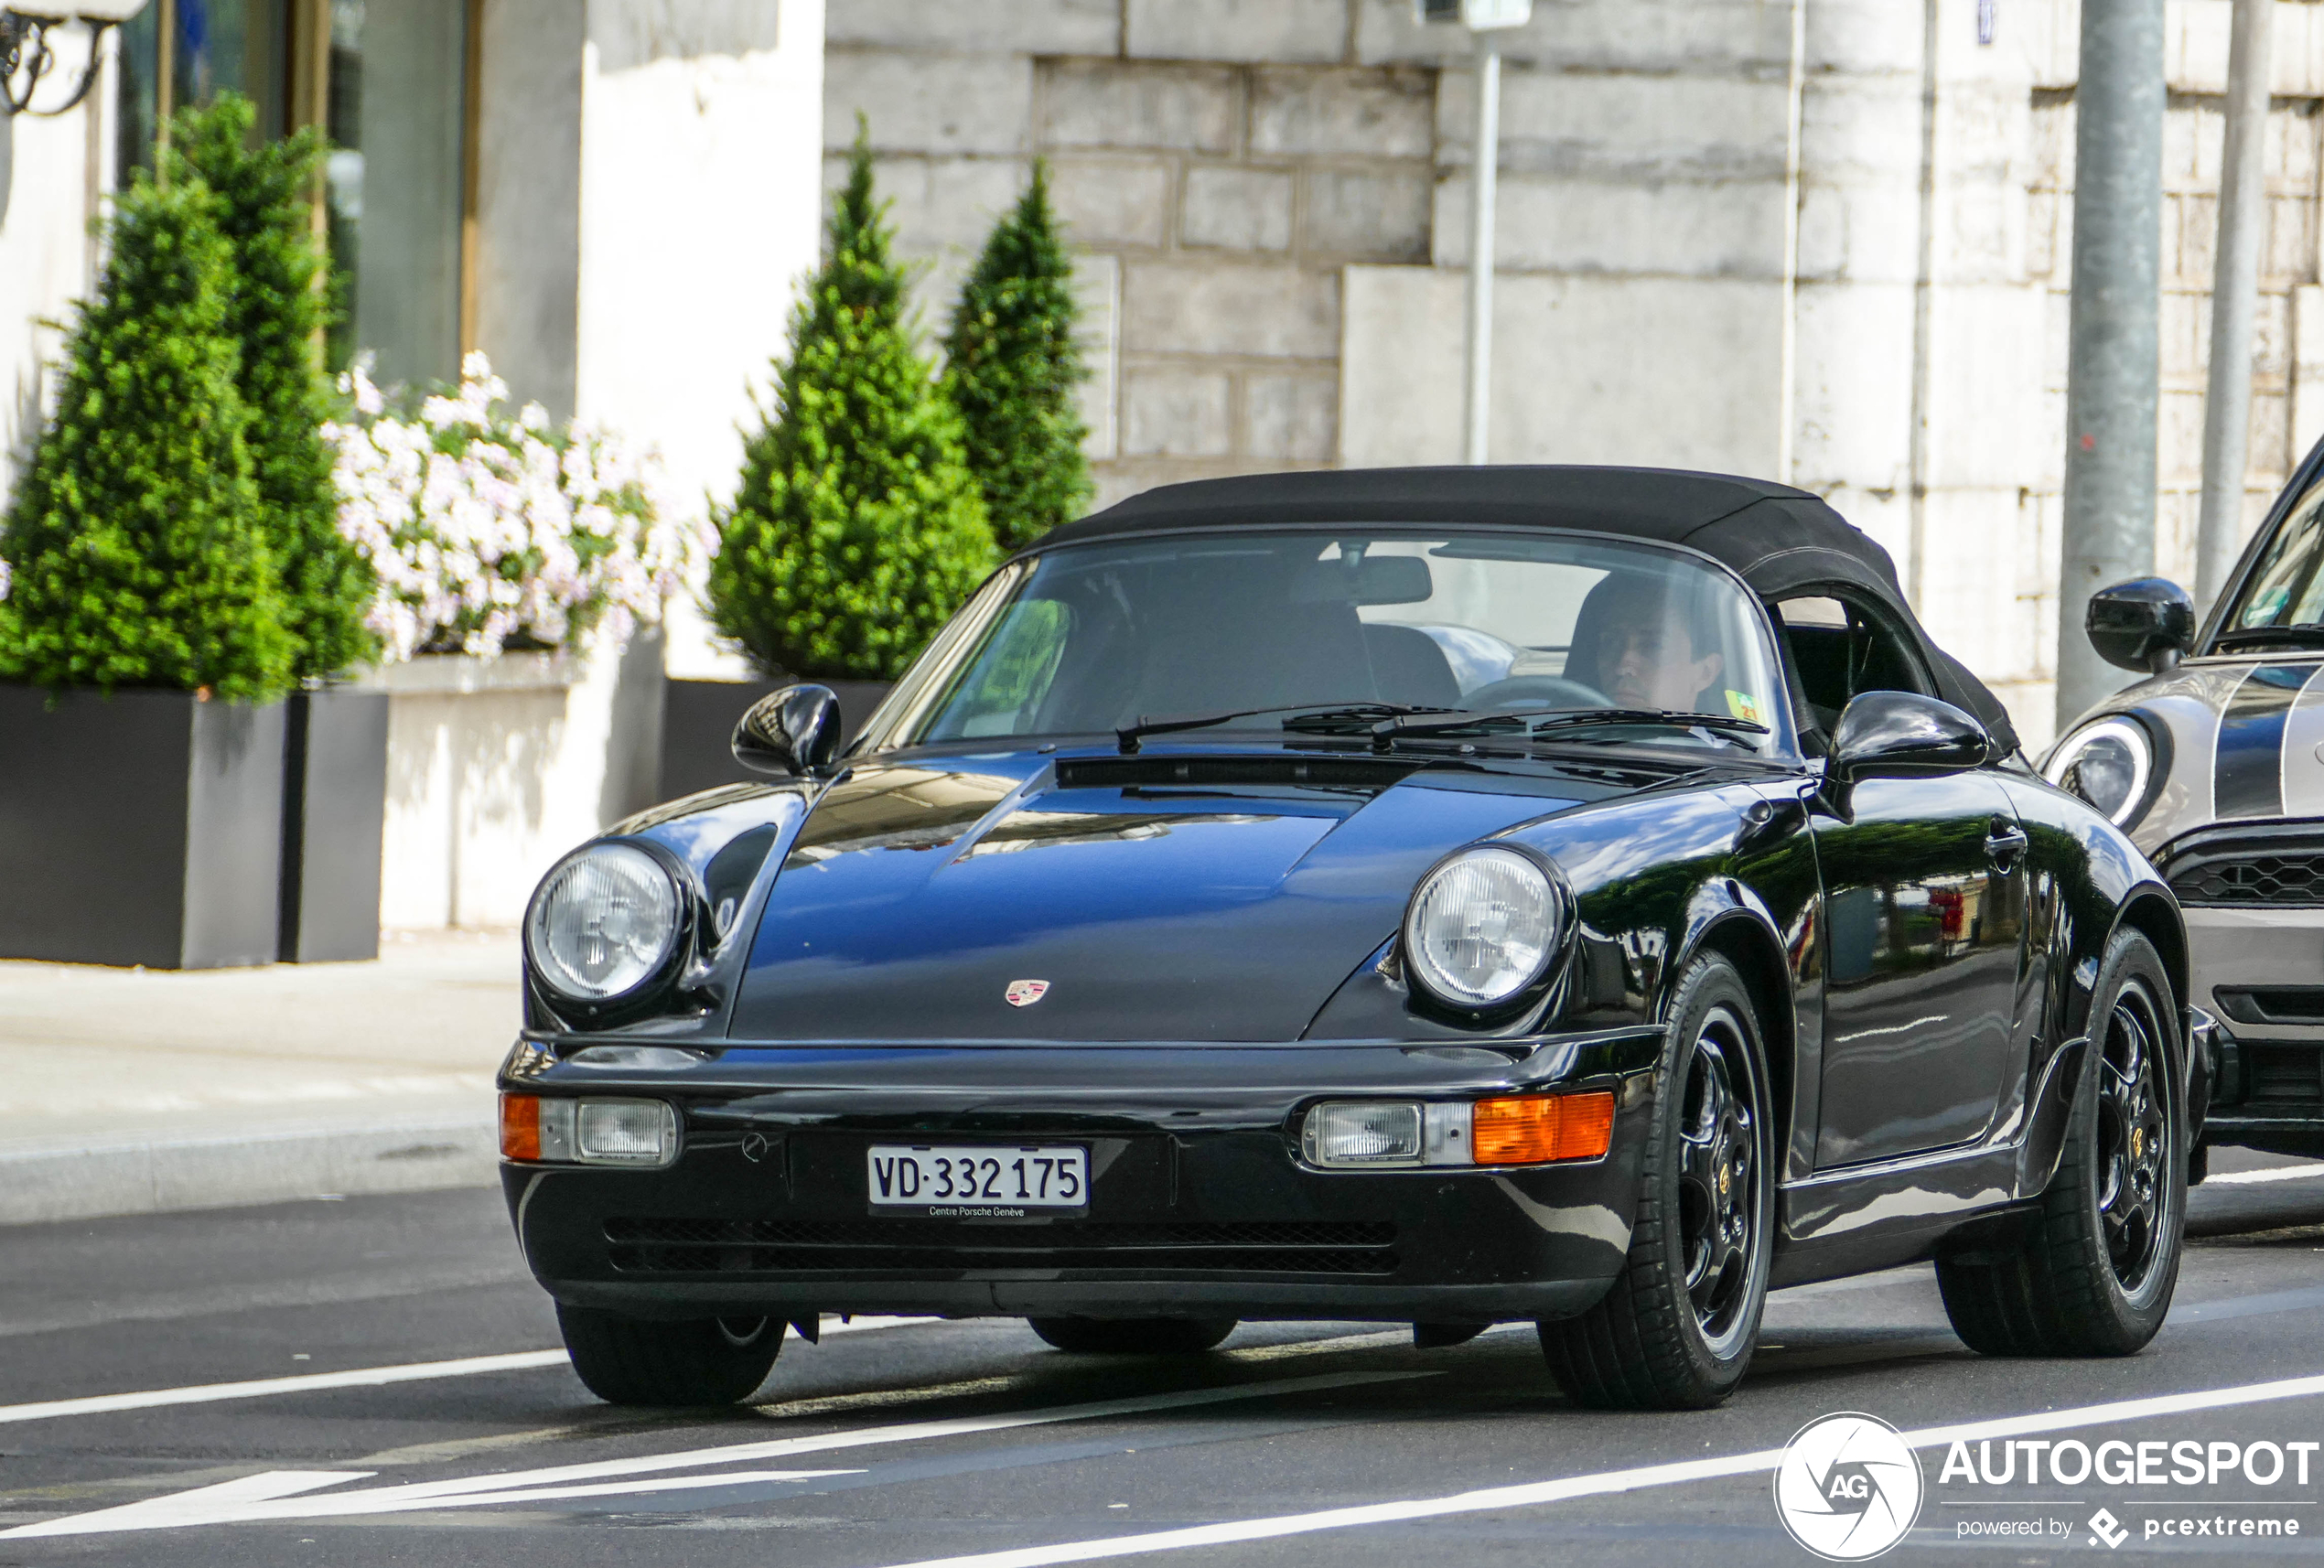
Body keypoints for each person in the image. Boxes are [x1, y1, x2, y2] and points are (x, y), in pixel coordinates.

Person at [1587, 578, 1725, 713]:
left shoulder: (1734, 736)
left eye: (1653, 646)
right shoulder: (1571, 733)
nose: (1622, 668)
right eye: (1610, 642)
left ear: (1705, 673)